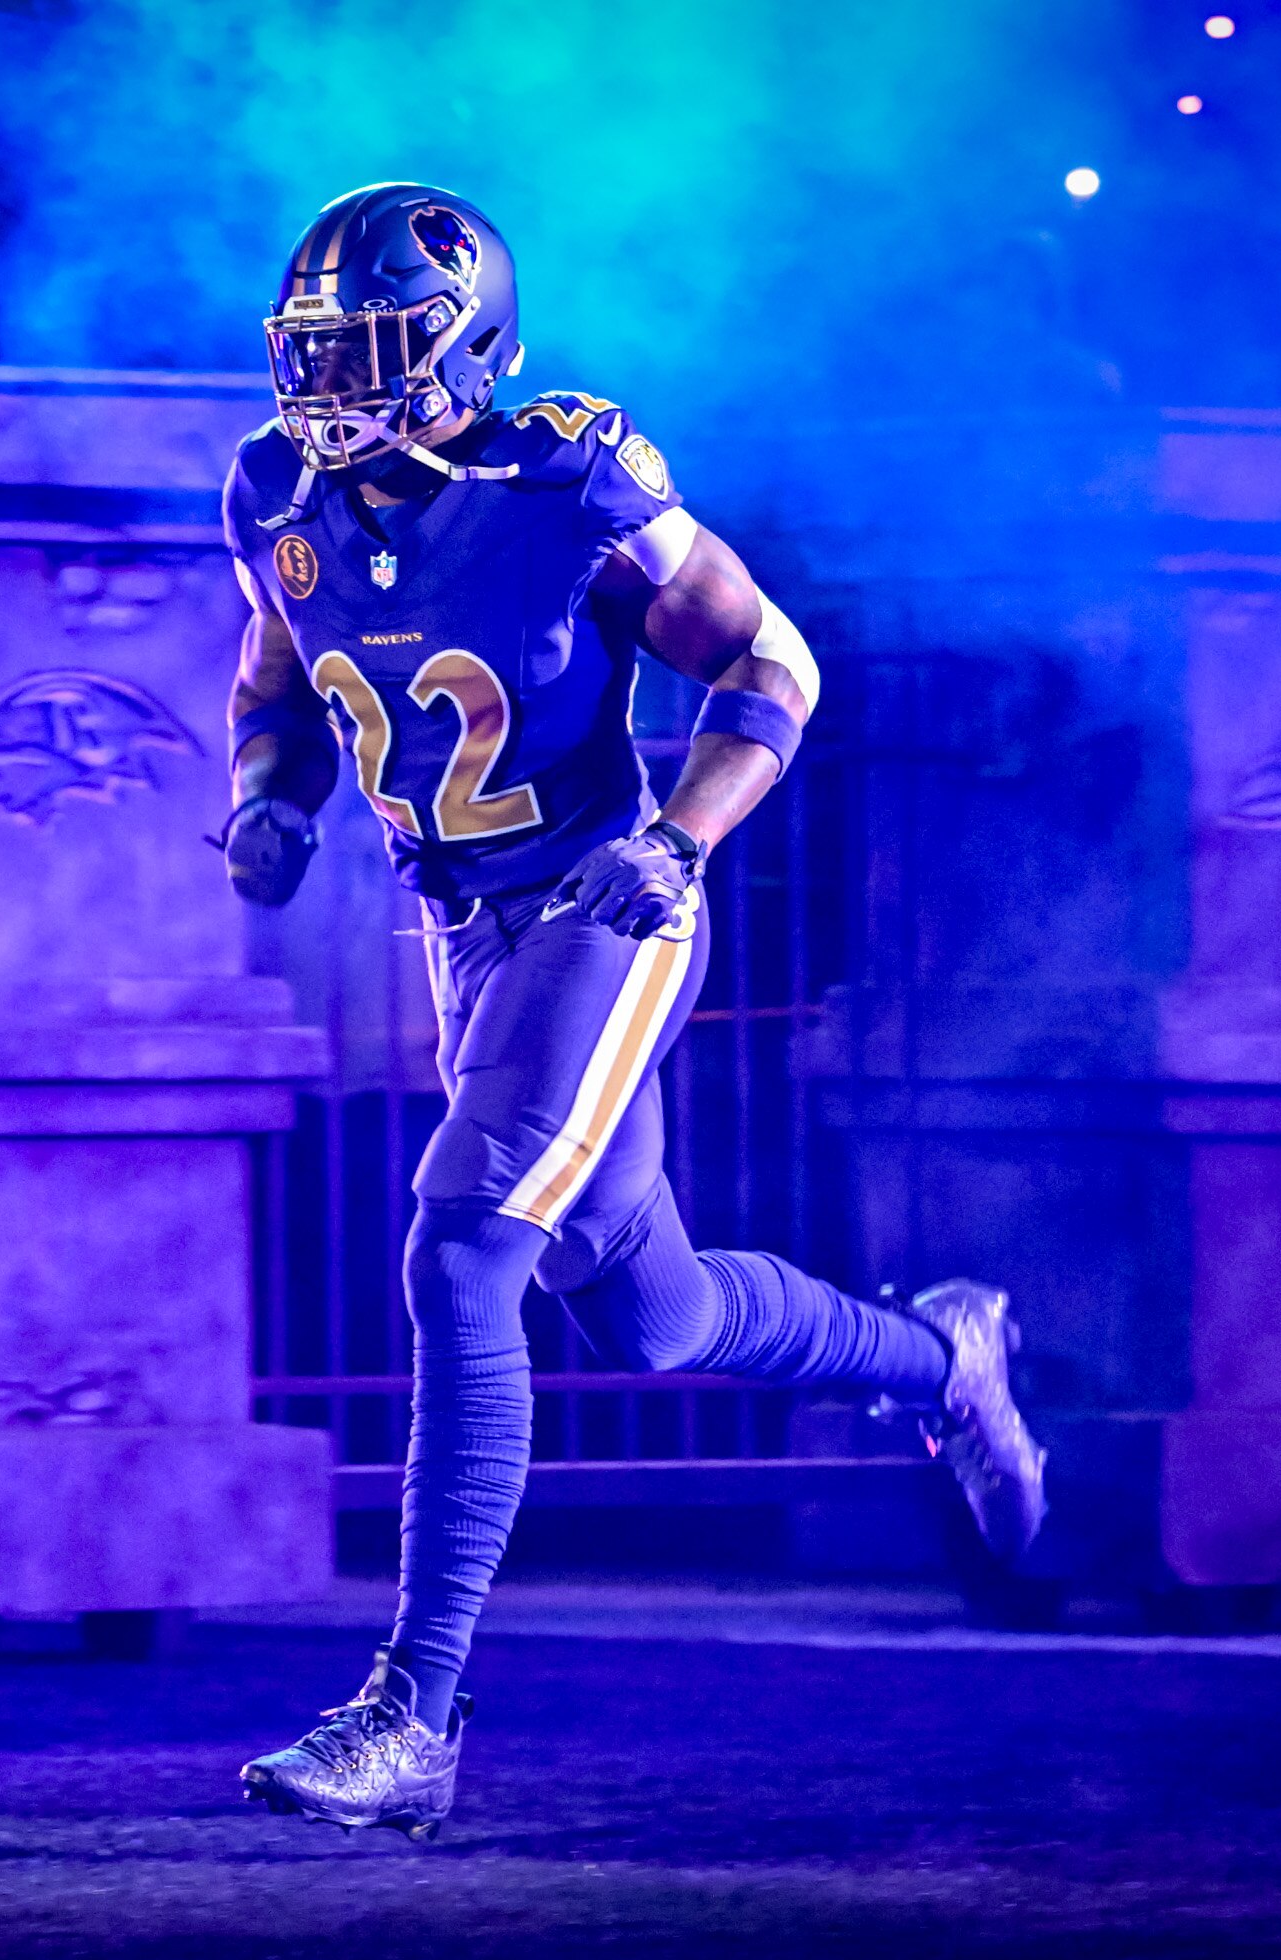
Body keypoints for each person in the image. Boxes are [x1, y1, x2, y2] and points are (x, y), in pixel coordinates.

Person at [217, 184, 1049, 1841]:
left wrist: (679, 837)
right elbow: (277, 674)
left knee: (461, 1248)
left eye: (373, 347)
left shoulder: (565, 478)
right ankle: (937, 1355)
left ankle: (414, 1717)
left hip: (602, 910)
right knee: (651, 1317)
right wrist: (267, 795)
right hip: (464, 930)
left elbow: (773, 666)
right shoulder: (273, 492)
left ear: (468, 341)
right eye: (317, 348)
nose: (333, 383)